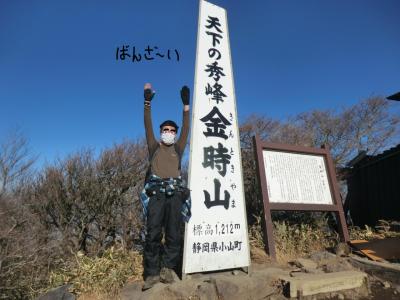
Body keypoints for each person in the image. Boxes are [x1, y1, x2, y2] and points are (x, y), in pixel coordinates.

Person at [141, 83, 190, 290]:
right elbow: (147, 125)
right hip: (156, 195)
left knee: (173, 233)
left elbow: (186, 128)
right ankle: (151, 273)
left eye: (172, 130)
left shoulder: (178, 148)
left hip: (176, 195)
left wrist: (186, 106)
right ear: (161, 132)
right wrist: (147, 102)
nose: (168, 132)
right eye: (165, 130)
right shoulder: (154, 146)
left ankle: (168, 269)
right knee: (152, 233)